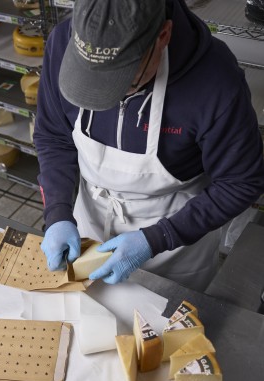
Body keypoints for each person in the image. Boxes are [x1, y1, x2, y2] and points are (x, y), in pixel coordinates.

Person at [33, 0, 264, 291]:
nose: (110, 100)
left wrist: (157, 238)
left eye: (123, 84)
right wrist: (57, 212)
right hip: (88, 223)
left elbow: (241, 182)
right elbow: (54, 136)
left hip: (175, 245)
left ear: (163, 36)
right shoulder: (63, 42)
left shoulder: (216, 81)